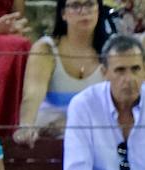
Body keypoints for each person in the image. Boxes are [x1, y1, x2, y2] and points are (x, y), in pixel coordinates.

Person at [62, 34, 145, 170]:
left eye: (135, 69)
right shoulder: (83, 105)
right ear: (104, 73)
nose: (129, 79)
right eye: (120, 70)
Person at [13, 0, 105, 145]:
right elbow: (32, 95)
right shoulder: (46, 48)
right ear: (63, 14)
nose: (83, 11)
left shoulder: (112, 50)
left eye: (89, 4)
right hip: (50, 134)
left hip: (97, 135)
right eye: (75, 6)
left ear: (99, 10)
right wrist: (26, 127)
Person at [0, 0, 32, 132]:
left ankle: (14, 127)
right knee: (13, 47)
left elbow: (17, 16)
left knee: (21, 45)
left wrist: (14, 27)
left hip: (5, 38)